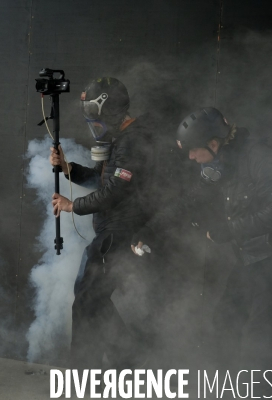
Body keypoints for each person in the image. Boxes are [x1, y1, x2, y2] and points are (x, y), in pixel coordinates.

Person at [131, 107, 272, 382]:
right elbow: (192, 199)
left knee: (264, 338)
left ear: (213, 143)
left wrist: (229, 230)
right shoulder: (219, 162)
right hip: (251, 258)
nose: (190, 157)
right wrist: (149, 230)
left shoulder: (261, 156)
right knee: (224, 322)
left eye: (193, 150)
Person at [50, 77, 178, 369]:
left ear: (109, 111)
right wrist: (69, 169)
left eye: (95, 118)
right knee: (90, 298)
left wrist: (73, 206)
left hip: (120, 233)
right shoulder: (120, 139)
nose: (93, 126)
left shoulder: (134, 141)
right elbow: (102, 179)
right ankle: (128, 359)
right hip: (113, 231)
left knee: (87, 299)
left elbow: (116, 191)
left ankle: (89, 372)